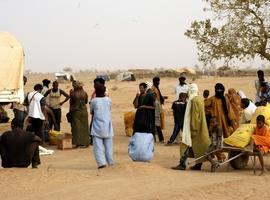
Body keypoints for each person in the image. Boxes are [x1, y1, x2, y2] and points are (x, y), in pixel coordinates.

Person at [171, 83, 211, 170]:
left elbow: (195, 116)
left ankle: (182, 164)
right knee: (199, 147)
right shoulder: (200, 99)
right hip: (201, 127)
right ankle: (198, 165)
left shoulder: (193, 100)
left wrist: (193, 128)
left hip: (193, 127)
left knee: (185, 144)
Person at [90, 84, 113, 169]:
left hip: (97, 127)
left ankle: (101, 163)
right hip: (107, 126)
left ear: (95, 91)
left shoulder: (94, 101)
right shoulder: (109, 100)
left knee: (98, 147)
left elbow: (92, 112)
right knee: (109, 147)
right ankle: (110, 162)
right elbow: (109, 109)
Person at [69, 81, 89, 148]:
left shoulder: (73, 93)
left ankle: (78, 143)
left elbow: (71, 103)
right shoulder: (85, 93)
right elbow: (86, 102)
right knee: (84, 127)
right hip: (84, 111)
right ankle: (85, 142)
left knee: (77, 128)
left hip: (76, 112)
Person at [152, 77, 165, 143]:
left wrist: (163, 98)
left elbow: (158, 96)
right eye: (158, 81)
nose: (159, 82)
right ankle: (161, 139)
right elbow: (154, 98)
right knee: (157, 124)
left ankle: (157, 139)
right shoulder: (153, 88)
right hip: (155, 108)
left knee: (157, 123)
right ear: (155, 81)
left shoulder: (156, 88)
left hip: (158, 106)